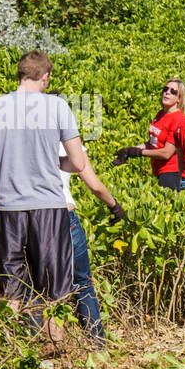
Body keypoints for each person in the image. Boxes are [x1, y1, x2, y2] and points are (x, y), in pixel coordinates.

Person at [0, 50, 87, 347]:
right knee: (55, 291)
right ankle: (56, 358)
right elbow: (77, 163)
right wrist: (53, 165)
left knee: (9, 290)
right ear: (46, 76)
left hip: (7, 208)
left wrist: (8, 190)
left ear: (20, 74)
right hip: (48, 208)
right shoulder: (57, 106)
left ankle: (7, 356)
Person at [52, 94, 125, 347]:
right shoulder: (66, 139)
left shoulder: (24, 137)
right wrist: (114, 206)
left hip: (30, 216)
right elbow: (93, 184)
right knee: (82, 282)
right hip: (63, 215)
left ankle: (50, 346)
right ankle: (97, 344)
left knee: (44, 286)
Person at [113, 78, 185, 190]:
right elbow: (153, 142)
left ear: (179, 99)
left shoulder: (178, 119)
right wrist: (129, 150)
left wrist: (139, 152)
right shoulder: (160, 114)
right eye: (165, 89)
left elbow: (167, 153)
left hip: (171, 173)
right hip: (158, 171)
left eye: (173, 91)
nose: (167, 92)